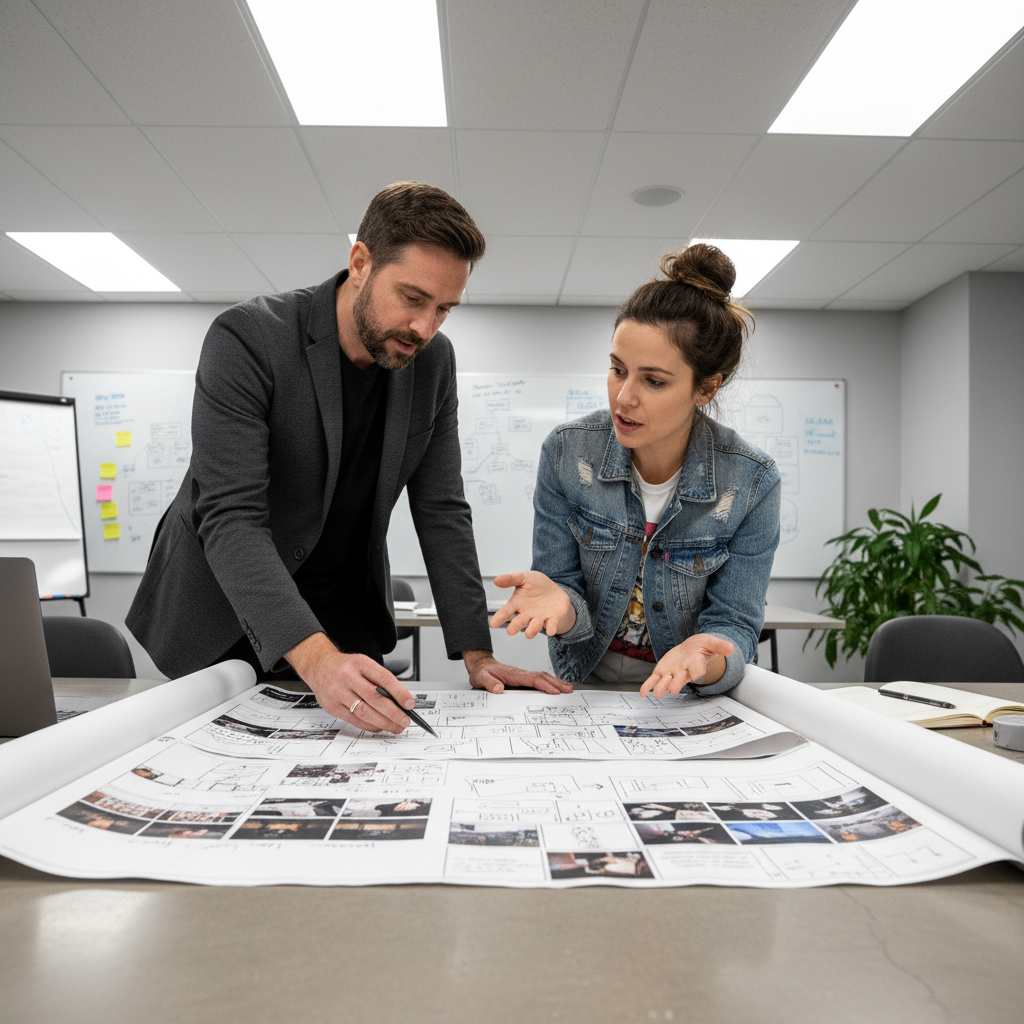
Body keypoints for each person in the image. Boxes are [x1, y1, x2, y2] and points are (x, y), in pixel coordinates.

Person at [128, 182, 570, 735]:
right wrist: (314, 660)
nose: (425, 327)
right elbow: (231, 519)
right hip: (228, 607)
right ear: (360, 262)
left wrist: (478, 653)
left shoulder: (434, 363)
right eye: (413, 298)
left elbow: (442, 508)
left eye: (444, 309)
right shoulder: (248, 339)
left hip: (343, 611)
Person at [489, 243, 781, 696]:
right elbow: (562, 588)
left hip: (687, 693)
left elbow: (735, 625)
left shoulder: (752, 481)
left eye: (654, 380)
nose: (624, 397)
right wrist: (562, 607)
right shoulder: (568, 454)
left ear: (705, 388)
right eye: (617, 369)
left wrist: (705, 657)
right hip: (583, 683)